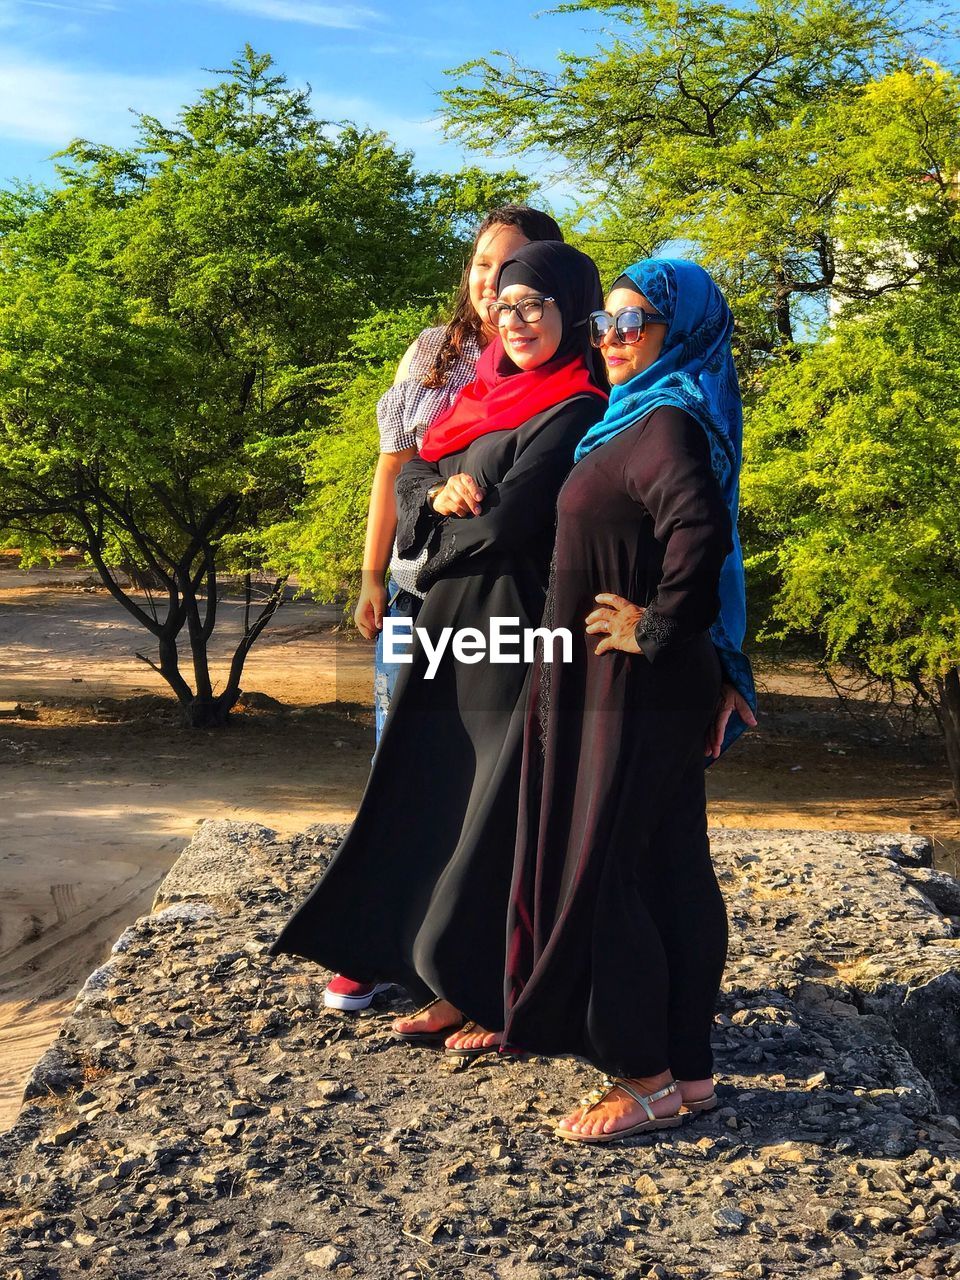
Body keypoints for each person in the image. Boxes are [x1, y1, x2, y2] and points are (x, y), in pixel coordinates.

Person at [270, 242, 608, 1046]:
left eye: (537, 305)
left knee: (499, 806)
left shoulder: (578, 406)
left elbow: (503, 528)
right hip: (449, 623)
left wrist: (439, 517)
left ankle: (498, 990)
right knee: (437, 790)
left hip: (511, 625)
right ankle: (444, 977)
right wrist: (439, 497)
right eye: (506, 304)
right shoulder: (489, 393)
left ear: (575, 310)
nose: (516, 319)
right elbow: (417, 472)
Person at [501, 258, 757, 1144]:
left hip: (632, 687)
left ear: (677, 329)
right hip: (640, 686)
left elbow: (701, 533)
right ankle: (688, 1076)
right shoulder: (643, 416)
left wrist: (656, 631)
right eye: (602, 324)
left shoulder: (667, 426)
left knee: (604, 873)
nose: (612, 339)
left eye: (633, 321)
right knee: (670, 870)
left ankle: (642, 1077)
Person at [325, 205, 563, 1014]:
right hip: (415, 584)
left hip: (498, 600)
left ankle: (458, 954)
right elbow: (397, 468)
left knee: (480, 774)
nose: (492, 281)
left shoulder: (552, 361)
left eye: (513, 267)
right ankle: (379, 941)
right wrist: (368, 574)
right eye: (481, 265)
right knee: (398, 758)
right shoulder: (438, 353)